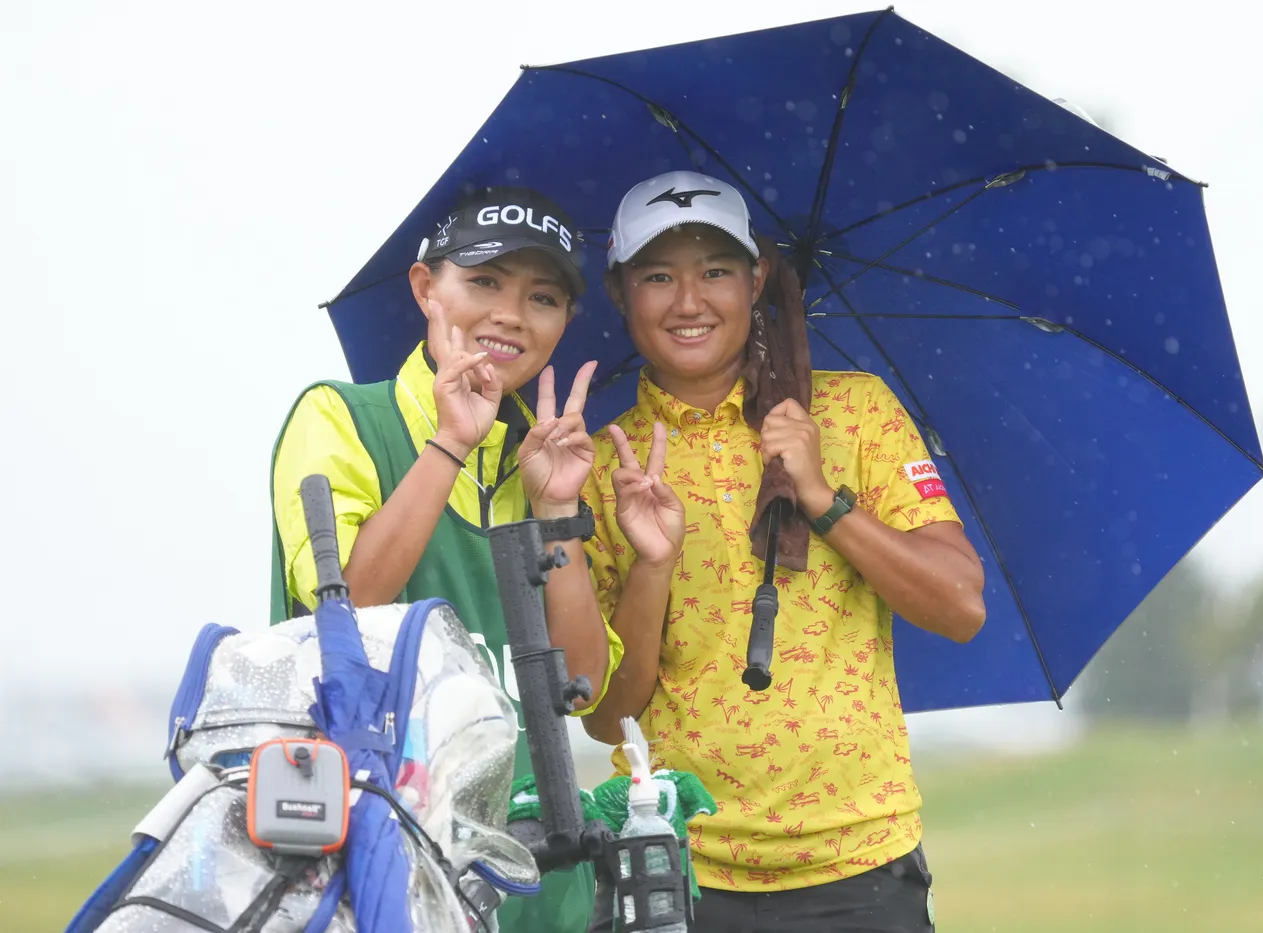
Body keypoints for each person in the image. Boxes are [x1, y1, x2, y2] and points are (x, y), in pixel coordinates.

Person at [580, 171, 987, 932]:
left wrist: (824, 499)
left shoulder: (854, 410)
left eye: (716, 271)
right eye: (658, 276)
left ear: (758, 278)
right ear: (618, 292)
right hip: (673, 862)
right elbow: (607, 717)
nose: (689, 301)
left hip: (860, 862)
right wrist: (654, 566)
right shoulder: (602, 464)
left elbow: (960, 606)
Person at [269, 185, 621, 933]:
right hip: (377, 871)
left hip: (539, 879)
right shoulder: (339, 417)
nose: (511, 314)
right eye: (485, 281)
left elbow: (582, 687)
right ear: (426, 286)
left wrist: (557, 511)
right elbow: (351, 607)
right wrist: (452, 439)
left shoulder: (547, 457)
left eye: (543, 297)